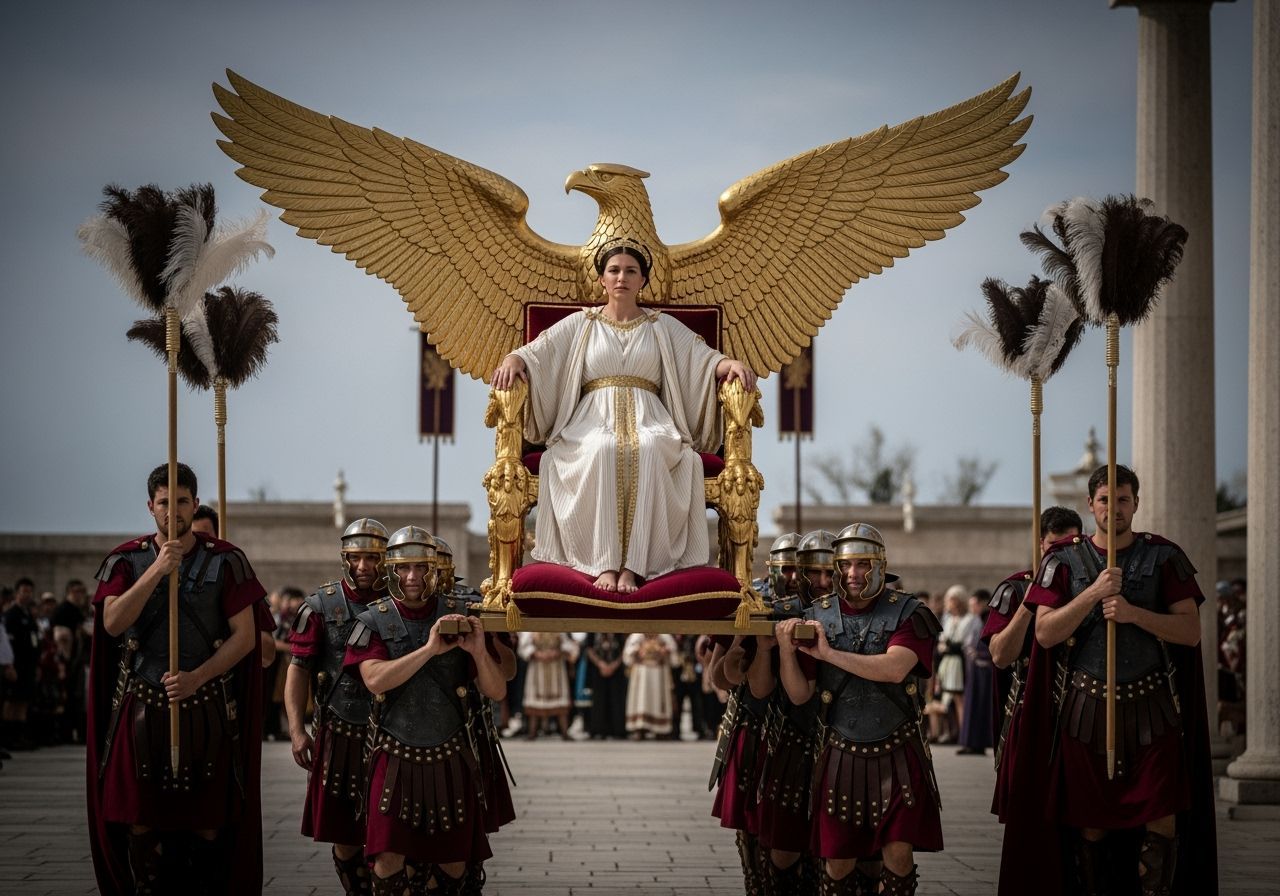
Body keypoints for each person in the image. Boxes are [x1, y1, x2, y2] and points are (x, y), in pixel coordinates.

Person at [490, 237, 756, 594]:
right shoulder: (581, 324)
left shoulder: (661, 325)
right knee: (601, 448)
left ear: (642, 280)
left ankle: (634, 567)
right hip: (591, 419)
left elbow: (702, 356)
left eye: (630, 271)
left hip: (652, 418)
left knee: (648, 448)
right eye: (613, 270)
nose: (621, 278)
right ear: (602, 279)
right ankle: (603, 562)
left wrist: (729, 363)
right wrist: (513, 360)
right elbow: (538, 351)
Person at [1009, 465, 1217, 896]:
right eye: (1105, 499)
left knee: (1162, 817)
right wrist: (1091, 594)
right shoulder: (1061, 562)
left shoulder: (1164, 556)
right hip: (1085, 711)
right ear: (1091, 505)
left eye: (1123, 499)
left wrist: (1132, 613)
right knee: (1091, 826)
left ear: (1136, 504)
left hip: (1153, 710)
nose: (1114, 508)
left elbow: (1190, 631)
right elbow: (1045, 634)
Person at [86, 462, 267, 896]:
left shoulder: (226, 561)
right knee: (141, 821)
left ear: (196, 503)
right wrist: (156, 570)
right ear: (151, 506)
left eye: (182, 501)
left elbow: (245, 639)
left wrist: (197, 677)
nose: (173, 511)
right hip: (140, 707)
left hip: (205, 708)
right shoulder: (125, 560)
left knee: (207, 824)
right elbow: (112, 623)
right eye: (165, 502)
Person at [775, 523, 942, 896]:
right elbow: (801, 695)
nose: (853, 574)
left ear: (880, 565)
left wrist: (830, 654)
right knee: (838, 861)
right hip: (841, 750)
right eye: (846, 565)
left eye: (863, 564)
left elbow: (895, 668)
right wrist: (788, 651)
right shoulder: (817, 615)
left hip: (898, 749)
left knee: (898, 855)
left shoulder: (909, 613)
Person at [346, 526, 508, 896]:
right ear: (392, 571)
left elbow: (496, 690)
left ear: (435, 569)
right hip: (395, 757)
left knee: (453, 866)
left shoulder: (463, 614)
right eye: (404, 568)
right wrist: (430, 650)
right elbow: (375, 680)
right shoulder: (372, 621)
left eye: (421, 567)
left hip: (451, 754)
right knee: (387, 863)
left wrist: (479, 651)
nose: (413, 577)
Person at [285, 517, 390, 896]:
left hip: (392, 735)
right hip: (340, 733)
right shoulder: (318, 607)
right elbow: (297, 672)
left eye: (373, 558)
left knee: (391, 835)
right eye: (356, 558)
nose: (364, 567)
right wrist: (297, 731)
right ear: (345, 558)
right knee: (345, 836)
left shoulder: (399, 602)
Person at [517, 631, 578, 740]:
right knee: (534, 700)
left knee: (560, 701)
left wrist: (558, 652)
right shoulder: (532, 627)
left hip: (556, 666)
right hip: (537, 666)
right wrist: (535, 653)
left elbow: (568, 645)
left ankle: (565, 732)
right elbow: (524, 645)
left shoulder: (559, 625)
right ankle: (532, 732)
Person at [2, 577, 39, 751]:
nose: (27, 595)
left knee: (23, 701)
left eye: (30, 591)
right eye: (24, 591)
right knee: (12, 702)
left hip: (29, 666)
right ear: (17, 593)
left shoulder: (28, 615)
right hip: (16, 665)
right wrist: (9, 665)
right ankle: (8, 738)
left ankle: (20, 736)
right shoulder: (11, 615)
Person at [623, 632, 678, 739]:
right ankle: (640, 728)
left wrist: (666, 651)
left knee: (658, 699)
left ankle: (660, 730)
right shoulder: (637, 636)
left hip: (659, 672)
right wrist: (637, 650)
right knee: (641, 699)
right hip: (642, 671)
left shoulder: (664, 636)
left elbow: (674, 657)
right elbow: (627, 656)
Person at [584, 633, 627, 739]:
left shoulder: (618, 629)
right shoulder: (592, 630)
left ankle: (618, 730)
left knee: (617, 700)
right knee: (599, 699)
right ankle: (598, 730)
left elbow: (624, 649)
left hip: (616, 670)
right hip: (597, 669)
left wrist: (614, 665)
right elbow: (589, 648)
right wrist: (600, 664)